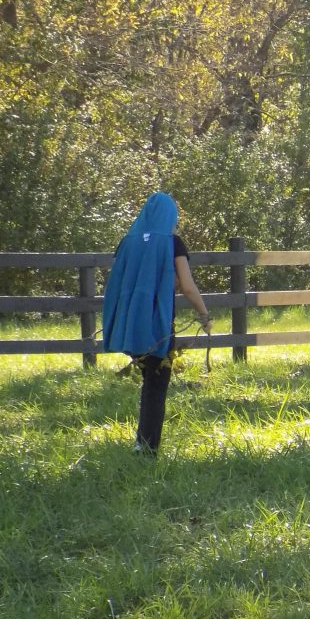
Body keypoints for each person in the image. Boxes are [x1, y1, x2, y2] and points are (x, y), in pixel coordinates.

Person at [101, 192, 211, 454]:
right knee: (157, 382)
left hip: (131, 320)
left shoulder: (127, 242)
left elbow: (121, 280)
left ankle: (142, 440)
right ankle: (147, 446)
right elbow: (186, 285)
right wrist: (204, 315)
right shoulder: (172, 243)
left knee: (149, 376)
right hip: (158, 322)